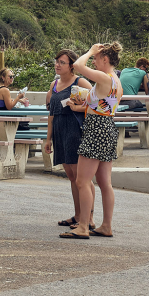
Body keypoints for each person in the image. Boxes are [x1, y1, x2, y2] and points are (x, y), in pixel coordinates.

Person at [61, 42, 123, 240]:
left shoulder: (104, 77)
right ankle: (106, 225)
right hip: (107, 128)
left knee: (82, 180)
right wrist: (83, 102)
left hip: (95, 130)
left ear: (105, 59)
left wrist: (89, 51)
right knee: (105, 182)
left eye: (96, 58)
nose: (94, 62)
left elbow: (78, 66)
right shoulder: (115, 81)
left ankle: (83, 226)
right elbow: (102, 105)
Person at [44, 50, 88, 230]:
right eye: (57, 61)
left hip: (74, 128)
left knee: (80, 177)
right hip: (59, 130)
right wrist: (48, 138)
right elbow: (51, 113)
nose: (57, 65)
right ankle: (78, 215)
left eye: (62, 62)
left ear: (72, 65)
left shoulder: (80, 82)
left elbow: (93, 104)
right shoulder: (54, 84)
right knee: (71, 176)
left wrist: (76, 107)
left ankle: (87, 217)